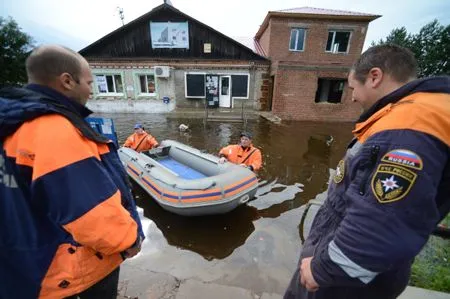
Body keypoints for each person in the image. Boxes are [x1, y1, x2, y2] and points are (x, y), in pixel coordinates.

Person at [284, 44, 450, 299]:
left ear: (375, 77)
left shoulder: (409, 128)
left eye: (352, 88)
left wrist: (323, 269)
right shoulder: (407, 118)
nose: (351, 97)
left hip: (341, 282)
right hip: (348, 271)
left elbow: (382, 222)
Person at [0, 45, 144, 299]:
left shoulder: (11, 124)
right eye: (89, 82)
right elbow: (90, 211)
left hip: (23, 264)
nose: (91, 89)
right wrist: (130, 240)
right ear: (67, 81)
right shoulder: (53, 130)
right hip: (68, 273)